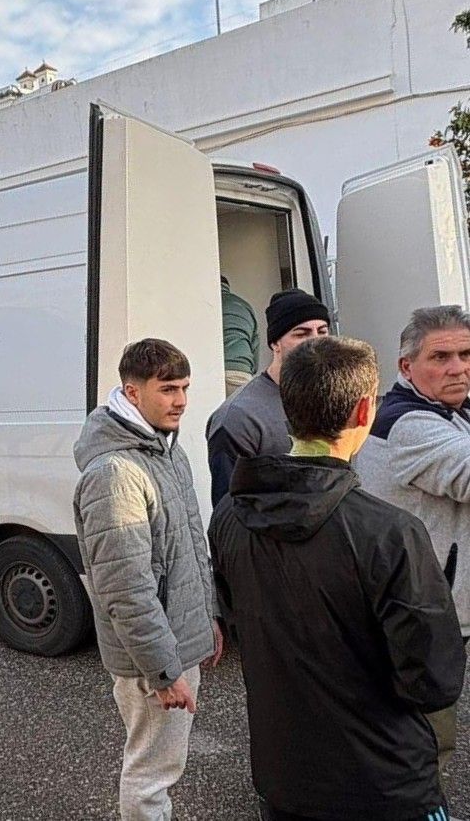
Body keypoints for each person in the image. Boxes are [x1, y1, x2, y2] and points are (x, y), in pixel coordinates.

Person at [210, 336, 465, 821]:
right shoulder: (389, 533)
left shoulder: (229, 515)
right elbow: (434, 680)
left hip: (285, 779)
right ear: (365, 410)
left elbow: (244, 620)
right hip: (386, 785)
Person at [73, 338, 223, 821]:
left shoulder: (164, 449)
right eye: (167, 389)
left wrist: (209, 618)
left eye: (184, 387)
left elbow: (189, 547)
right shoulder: (116, 473)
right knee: (151, 771)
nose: (180, 400)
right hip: (152, 659)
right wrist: (163, 670)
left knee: (162, 765)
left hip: (176, 641)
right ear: (132, 393)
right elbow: (125, 588)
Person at [355, 304, 470, 779]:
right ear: (406, 367)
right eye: (440, 357)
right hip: (427, 613)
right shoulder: (407, 423)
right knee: (427, 744)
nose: (458, 367)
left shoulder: (450, 411)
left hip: (445, 607)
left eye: (466, 354)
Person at [206, 288, 330, 506]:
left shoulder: (334, 399)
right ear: (275, 343)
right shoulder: (239, 417)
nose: (315, 342)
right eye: (301, 334)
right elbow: (228, 513)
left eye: (322, 331)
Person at [221, 276, 259, 395]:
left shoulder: (209, 304)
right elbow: (255, 349)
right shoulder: (245, 306)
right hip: (244, 375)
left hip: (219, 374)